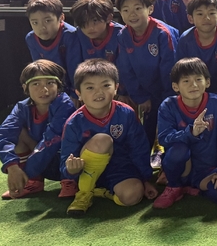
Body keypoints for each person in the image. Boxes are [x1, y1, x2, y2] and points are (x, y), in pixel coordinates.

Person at [61, 59, 158, 216]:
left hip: (120, 168)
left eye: (106, 86)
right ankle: (84, 193)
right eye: (90, 87)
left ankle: (102, 192)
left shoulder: (126, 113)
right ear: (78, 93)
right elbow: (66, 159)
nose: (99, 92)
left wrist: (145, 179)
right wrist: (71, 169)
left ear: (116, 88)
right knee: (102, 140)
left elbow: (138, 147)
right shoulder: (74, 122)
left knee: (133, 196)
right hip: (88, 170)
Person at [153, 57, 217, 209]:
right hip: (183, 165)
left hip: (208, 168)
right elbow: (164, 138)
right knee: (179, 150)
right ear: (175, 86)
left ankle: (191, 187)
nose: (194, 85)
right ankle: (174, 186)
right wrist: (191, 132)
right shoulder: (168, 105)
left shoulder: (216, 103)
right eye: (186, 81)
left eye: (198, 79)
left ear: (208, 82)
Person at [0, 60, 77, 200]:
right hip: (41, 160)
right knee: (17, 132)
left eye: (50, 83)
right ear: (25, 88)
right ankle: (34, 182)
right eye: (36, 84)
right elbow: (3, 134)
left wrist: (25, 173)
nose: (44, 90)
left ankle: (69, 180)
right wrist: (12, 167)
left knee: (67, 140)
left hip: (68, 162)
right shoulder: (22, 107)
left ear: (59, 86)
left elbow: (52, 140)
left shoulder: (65, 105)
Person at [114, 0, 178, 150]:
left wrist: (168, 100)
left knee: (166, 131)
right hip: (144, 93)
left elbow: (170, 70)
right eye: (126, 10)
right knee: (144, 133)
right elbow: (125, 69)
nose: (132, 14)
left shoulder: (163, 33)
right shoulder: (123, 35)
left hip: (166, 92)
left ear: (150, 9)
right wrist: (140, 97)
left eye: (137, 8)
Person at [176, 0, 217, 112]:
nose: (207, 18)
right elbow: (182, 73)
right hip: (194, 88)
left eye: (211, 13)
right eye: (200, 14)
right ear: (190, 18)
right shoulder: (185, 39)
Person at [66, 0, 123, 84]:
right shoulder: (78, 35)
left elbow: (125, 69)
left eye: (95, 21)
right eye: (84, 22)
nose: (90, 27)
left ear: (108, 18)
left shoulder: (121, 35)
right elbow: (74, 66)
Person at [24, 0, 76, 88]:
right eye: (35, 23)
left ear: (61, 18)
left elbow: (74, 70)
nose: (42, 27)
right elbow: (40, 70)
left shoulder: (70, 35)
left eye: (47, 21)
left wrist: (74, 93)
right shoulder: (31, 39)